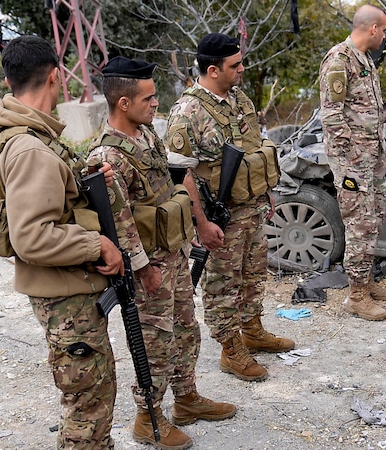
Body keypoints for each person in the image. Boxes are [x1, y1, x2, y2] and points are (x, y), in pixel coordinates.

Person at [0, 35, 124, 449]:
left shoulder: (30, 136)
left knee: (89, 398)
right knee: (88, 407)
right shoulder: (30, 149)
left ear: (9, 79)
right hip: (65, 296)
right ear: (56, 77)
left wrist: (85, 181)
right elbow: (32, 236)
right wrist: (98, 246)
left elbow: (48, 200)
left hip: (67, 290)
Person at [87, 56, 237, 449]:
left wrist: (192, 230)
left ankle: (186, 398)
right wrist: (142, 270)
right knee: (155, 343)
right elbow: (117, 222)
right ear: (123, 103)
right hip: (147, 266)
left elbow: (166, 189)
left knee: (186, 329)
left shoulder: (148, 135)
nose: (156, 104)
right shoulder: (108, 156)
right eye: (149, 99)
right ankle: (146, 416)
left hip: (172, 255)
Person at [165, 33, 294, 382]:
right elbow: (180, 174)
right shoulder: (188, 111)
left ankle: (251, 328)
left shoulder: (239, 100)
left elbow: (252, 150)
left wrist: (265, 191)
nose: (241, 70)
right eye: (234, 66)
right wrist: (201, 223)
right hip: (220, 214)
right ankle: (229, 347)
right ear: (212, 69)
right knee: (223, 283)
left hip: (250, 208)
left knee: (253, 272)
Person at [319, 4, 386, 321]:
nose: (385, 35)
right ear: (373, 29)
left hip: (372, 156)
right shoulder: (339, 60)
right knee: (359, 224)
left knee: (374, 217)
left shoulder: (364, 59)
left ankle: (366, 280)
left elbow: (360, 109)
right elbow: (332, 117)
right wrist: (353, 159)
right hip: (354, 162)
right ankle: (356, 295)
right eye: (385, 29)